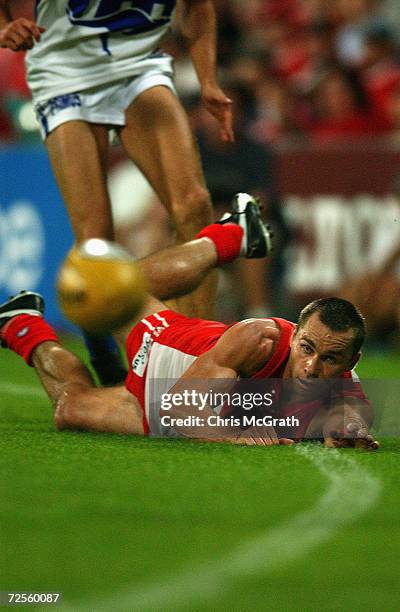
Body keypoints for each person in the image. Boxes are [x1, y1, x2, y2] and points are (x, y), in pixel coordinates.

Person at [0, 195, 379, 449]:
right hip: (163, 353)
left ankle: (19, 322)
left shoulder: (344, 388)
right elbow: (179, 408)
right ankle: (231, 236)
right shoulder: (261, 338)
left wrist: (348, 433)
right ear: (294, 336)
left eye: (330, 359)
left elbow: (353, 416)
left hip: (169, 396)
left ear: (351, 363)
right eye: (307, 349)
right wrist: (234, 436)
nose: (312, 368)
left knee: (69, 409)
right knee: (112, 288)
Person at [0, 0, 233, 382]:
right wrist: (4, 25)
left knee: (195, 204)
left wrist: (208, 79)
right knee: (96, 241)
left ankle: (195, 357)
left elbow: (198, 7)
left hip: (138, 66)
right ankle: (103, 350)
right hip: (64, 70)